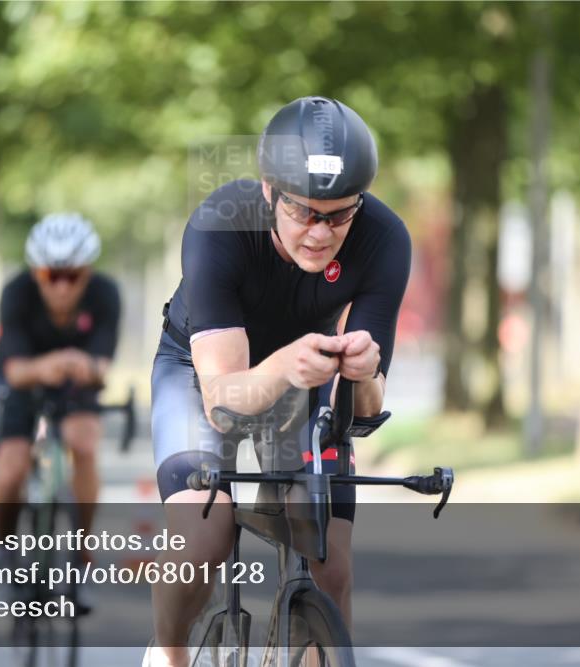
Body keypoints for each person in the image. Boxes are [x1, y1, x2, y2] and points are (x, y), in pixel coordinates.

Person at [145, 96, 411, 666]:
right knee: (203, 540)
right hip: (200, 373)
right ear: (269, 191)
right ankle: (168, 652)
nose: (320, 233)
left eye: (339, 215)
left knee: (329, 565)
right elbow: (220, 400)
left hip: (304, 375)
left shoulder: (384, 238)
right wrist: (284, 366)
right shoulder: (221, 224)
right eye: (304, 212)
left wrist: (363, 371)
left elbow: (365, 412)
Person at [0, 213, 121, 559]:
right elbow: (15, 371)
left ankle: (82, 547)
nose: (62, 287)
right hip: (19, 384)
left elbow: (101, 369)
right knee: (11, 469)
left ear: (87, 273)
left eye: (72, 276)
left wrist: (82, 367)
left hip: (75, 386)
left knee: (85, 442)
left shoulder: (105, 294)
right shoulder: (16, 293)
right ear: (36, 273)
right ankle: (4, 549)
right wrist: (52, 364)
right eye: (51, 276)